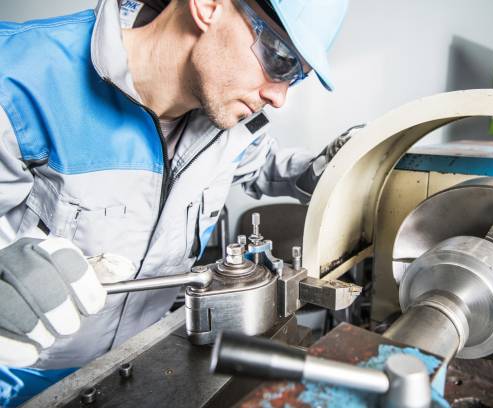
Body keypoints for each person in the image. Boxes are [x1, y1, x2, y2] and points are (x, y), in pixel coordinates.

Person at [0, 0, 354, 405]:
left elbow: (261, 163)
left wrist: (328, 167)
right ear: (208, 6)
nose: (279, 98)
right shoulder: (17, 79)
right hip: (21, 380)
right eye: (279, 59)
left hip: (139, 365)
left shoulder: (222, 118)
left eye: (296, 78)